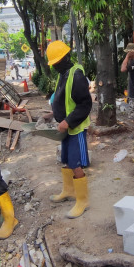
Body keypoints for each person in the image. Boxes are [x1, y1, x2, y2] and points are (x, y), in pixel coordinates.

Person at [46, 40, 92, 219]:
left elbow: (85, 104)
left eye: (56, 62)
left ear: (65, 58)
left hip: (75, 128)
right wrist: (52, 114)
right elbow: (62, 99)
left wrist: (68, 121)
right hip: (65, 127)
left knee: (76, 163)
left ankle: (82, 200)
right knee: (65, 160)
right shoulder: (63, 74)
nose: (55, 66)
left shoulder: (77, 75)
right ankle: (68, 191)